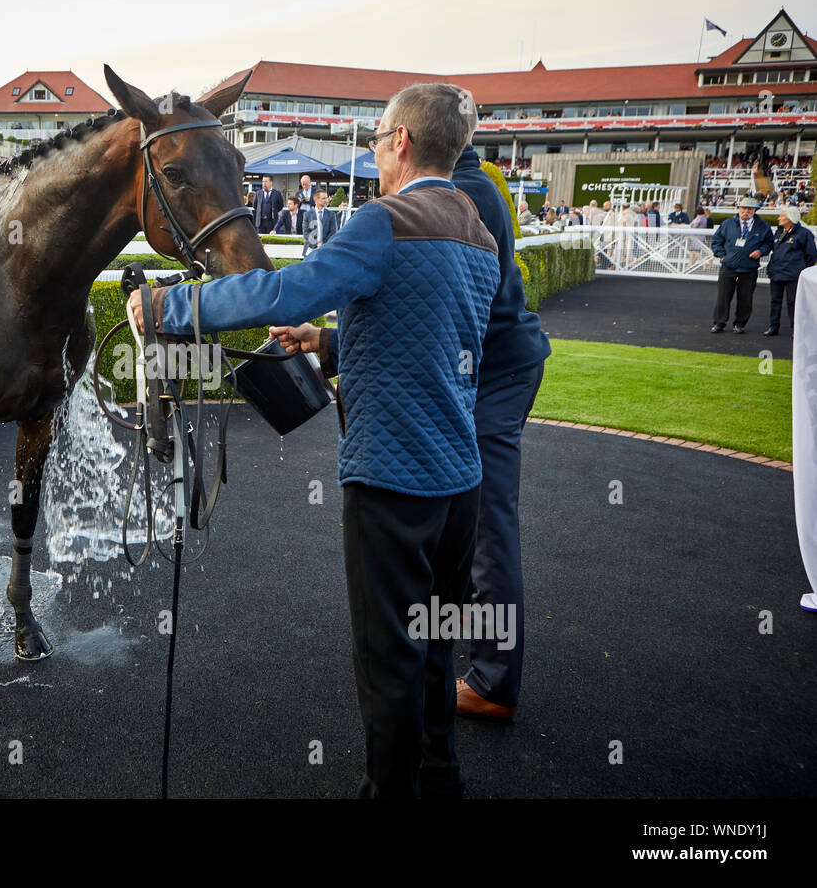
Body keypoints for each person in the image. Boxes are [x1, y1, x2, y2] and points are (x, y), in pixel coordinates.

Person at [131, 82, 501, 798]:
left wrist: (167, 306)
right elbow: (431, 337)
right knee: (431, 652)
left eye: (376, 140)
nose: (374, 153)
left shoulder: (383, 221)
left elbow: (282, 290)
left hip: (392, 485)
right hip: (461, 487)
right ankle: (440, 780)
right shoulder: (479, 233)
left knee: (386, 660)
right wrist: (329, 345)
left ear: (400, 142)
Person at [449, 139, 551, 725]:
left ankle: (493, 681)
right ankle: (466, 618)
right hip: (497, 364)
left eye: (386, 137)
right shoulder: (474, 183)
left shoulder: (463, 193)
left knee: (490, 522)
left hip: (496, 371)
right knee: (468, 507)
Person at [710, 197, 773, 333]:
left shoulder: (763, 226)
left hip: (749, 267)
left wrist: (761, 251)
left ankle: (739, 324)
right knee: (723, 296)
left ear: (755, 210)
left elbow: (768, 244)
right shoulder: (727, 224)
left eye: (749, 209)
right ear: (738, 209)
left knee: (745, 298)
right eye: (743, 208)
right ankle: (719, 323)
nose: (746, 211)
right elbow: (716, 241)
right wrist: (721, 255)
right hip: (729, 266)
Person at [764, 206, 816, 337]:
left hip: (793, 275)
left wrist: (802, 271)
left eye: (782, 216)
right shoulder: (779, 232)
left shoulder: (804, 234)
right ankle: (773, 326)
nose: (779, 218)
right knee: (775, 301)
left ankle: (796, 328)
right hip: (776, 273)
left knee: (793, 302)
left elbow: (811, 255)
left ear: (790, 218)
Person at [302, 187, 338, 252]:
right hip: (311, 248)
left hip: (327, 248)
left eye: (327, 198)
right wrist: (315, 244)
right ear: (316, 200)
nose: (327, 200)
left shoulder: (331, 215)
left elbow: (333, 232)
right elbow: (306, 233)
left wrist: (323, 245)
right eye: (324, 198)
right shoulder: (307, 215)